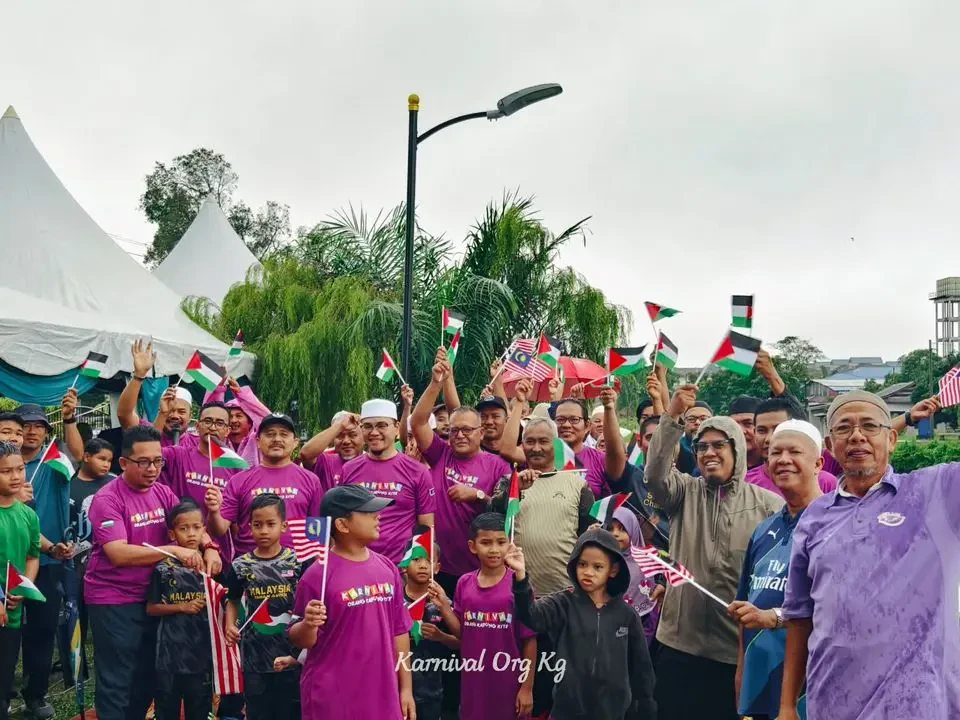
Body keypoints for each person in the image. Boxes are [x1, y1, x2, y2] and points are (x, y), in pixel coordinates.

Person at [780, 391, 960, 720]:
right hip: (831, 703)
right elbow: (799, 616)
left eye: (870, 426)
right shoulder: (815, 516)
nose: (857, 435)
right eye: (844, 428)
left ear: (891, 438)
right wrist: (787, 705)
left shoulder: (935, 492)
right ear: (830, 445)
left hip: (920, 707)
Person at [644, 384, 783, 720]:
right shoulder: (684, 494)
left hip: (736, 654)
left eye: (719, 444)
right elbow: (655, 474)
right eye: (702, 446)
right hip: (680, 647)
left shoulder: (769, 506)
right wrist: (672, 417)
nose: (709, 452)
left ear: (737, 449)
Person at [85, 425, 222, 720]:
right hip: (114, 598)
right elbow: (118, 553)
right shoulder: (108, 499)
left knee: (148, 675)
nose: (152, 469)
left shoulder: (162, 492)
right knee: (118, 676)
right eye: (143, 462)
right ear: (123, 463)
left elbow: (189, 523)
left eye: (158, 461)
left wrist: (210, 547)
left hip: (156, 596)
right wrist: (172, 551)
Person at [727, 420, 826, 720]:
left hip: (811, 687)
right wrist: (742, 676)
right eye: (775, 453)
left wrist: (775, 618)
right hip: (759, 686)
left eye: (794, 452)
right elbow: (747, 609)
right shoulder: (763, 530)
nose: (783, 459)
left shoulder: (836, 524)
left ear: (818, 463)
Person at [289, 485, 415, 720]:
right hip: (333, 697)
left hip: (382, 693)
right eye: (368, 512)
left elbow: (400, 632)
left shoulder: (387, 567)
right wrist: (308, 623)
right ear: (342, 525)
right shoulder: (317, 575)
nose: (378, 517)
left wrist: (406, 688)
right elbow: (299, 639)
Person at [507, 527, 657, 720]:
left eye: (597, 567)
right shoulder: (563, 603)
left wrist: (646, 708)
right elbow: (531, 616)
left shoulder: (627, 615)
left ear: (613, 570)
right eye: (582, 564)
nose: (588, 572)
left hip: (612, 713)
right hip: (566, 711)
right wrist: (520, 578)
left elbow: (642, 668)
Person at [411, 359, 512, 589]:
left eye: (467, 430)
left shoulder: (498, 466)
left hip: (479, 568)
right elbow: (417, 423)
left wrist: (476, 495)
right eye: (454, 430)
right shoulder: (441, 453)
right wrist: (436, 382)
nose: (460, 435)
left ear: (480, 432)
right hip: (437, 566)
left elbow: (505, 510)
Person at [14, 399, 76, 720]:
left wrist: (69, 420)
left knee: (42, 629)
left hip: (48, 562)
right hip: (6, 562)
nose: (32, 431)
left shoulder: (55, 464)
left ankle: (35, 694)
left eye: (39, 426)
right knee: (7, 630)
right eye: (26, 425)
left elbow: (79, 455)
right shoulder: (4, 465)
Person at [224, 494, 302, 720]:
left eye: (271, 524)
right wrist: (230, 624)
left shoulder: (296, 562)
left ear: (284, 526)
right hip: (254, 657)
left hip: (290, 654)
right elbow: (233, 600)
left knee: (289, 711)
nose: (264, 531)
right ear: (250, 527)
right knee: (259, 711)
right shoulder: (241, 565)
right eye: (258, 525)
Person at [452, 513, 535, 720]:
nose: (494, 550)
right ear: (473, 546)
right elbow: (462, 632)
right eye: (486, 543)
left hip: (509, 682)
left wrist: (527, 688)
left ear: (510, 544)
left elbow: (530, 640)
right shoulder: (464, 583)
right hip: (473, 684)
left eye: (501, 542)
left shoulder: (519, 585)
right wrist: (443, 609)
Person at [207, 413, 322, 557]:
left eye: (284, 434)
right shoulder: (238, 480)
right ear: (257, 441)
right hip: (249, 569)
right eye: (270, 434)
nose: (277, 439)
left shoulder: (311, 480)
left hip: (296, 566)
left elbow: (317, 528)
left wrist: (318, 563)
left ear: (295, 442)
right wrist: (213, 511)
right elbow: (219, 530)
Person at [341, 399, 435, 564]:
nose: (374, 432)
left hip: (401, 567)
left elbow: (426, 527)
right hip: (357, 563)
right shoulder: (349, 469)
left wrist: (416, 567)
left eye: (382, 425)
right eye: (367, 426)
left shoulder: (418, 472)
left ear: (397, 428)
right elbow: (342, 518)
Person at [146, 500, 216, 720]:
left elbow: (226, 603)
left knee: (199, 710)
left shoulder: (211, 566)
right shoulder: (163, 568)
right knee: (167, 711)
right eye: (183, 528)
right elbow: (151, 608)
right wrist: (181, 607)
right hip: (169, 656)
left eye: (196, 527)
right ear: (172, 534)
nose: (191, 533)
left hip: (201, 655)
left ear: (204, 530)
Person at [161, 401, 244, 562]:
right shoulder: (178, 455)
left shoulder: (235, 468)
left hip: (220, 556)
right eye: (208, 421)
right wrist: (162, 415)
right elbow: (146, 452)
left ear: (227, 430)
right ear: (197, 426)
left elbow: (231, 525)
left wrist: (215, 511)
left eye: (219, 423)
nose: (212, 427)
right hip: (179, 553)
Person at [63, 437, 116, 683]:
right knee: (75, 617)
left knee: (105, 621)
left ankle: (108, 668)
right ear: (86, 456)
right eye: (101, 458)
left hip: (108, 563)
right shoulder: (68, 486)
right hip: (74, 563)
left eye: (109, 460)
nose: (106, 465)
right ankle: (76, 674)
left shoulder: (115, 484)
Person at [0, 441, 41, 720]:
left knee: (4, 680)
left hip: (12, 612)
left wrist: (24, 587)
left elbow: (32, 555)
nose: (16, 476)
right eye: (6, 471)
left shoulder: (28, 515)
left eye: (20, 469)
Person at [401, 535, 459, 720]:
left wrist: (440, 636)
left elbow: (462, 642)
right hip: (396, 686)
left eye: (429, 560)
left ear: (438, 567)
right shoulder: (394, 603)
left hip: (431, 688)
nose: (424, 565)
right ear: (403, 566)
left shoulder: (443, 603)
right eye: (416, 559)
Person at [746, 398, 838, 497]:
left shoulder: (826, 482)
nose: (769, 438)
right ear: (754, 433)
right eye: (762, 430)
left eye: (778, 429)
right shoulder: (746, 484)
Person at [118, 340, 198, 449]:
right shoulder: (146, 432)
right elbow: (124, 414)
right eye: (170, 410)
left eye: (181, 411)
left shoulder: (198, 444)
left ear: (190, 416)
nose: (174, 416)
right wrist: (139, 375)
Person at [606, 507, 662, 645]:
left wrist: (663, 583)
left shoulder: (646, 560)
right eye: (610, 529)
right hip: (609, 626)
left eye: (622, 529)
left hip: (642, 624)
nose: (615, 534)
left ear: (634, 531)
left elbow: (667, 571)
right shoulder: (602, 562)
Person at [204, 376, 271, 467]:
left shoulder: (258, 441)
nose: (233, 420)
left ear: (250, 423)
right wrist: (217, 389)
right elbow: (210, 413)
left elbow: (269, 420)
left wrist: (241, 394)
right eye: (230, 417)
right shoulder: (218, 439)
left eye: (239, 416)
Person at [299, 410, 363, 491]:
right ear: (333, 440)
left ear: (364, 438)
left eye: (352, 435)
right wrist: (339, 426)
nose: (346, 441)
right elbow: (305, 454)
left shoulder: (370, 464)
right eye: (339, 436)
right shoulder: (326, 462)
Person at [676, 400, 712, 474]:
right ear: (684, 423)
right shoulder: (676, 447)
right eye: (691, 419)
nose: (697, 422)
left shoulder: (722, 446)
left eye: (703, 419)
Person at [727, 396, 761, 468]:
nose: (741, 431)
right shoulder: (723, 469)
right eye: (734, 425)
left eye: (748, 423)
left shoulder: (774, 466)